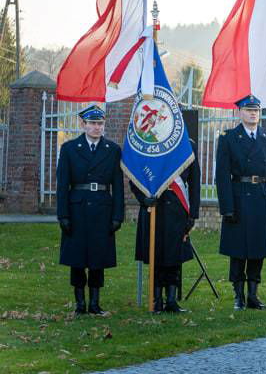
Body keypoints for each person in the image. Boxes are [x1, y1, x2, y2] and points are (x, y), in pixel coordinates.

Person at [215, 95, 266, 310]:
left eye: (256, 110)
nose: (253, 114)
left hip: (262, 197)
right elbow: (222, 176)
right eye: (249, 110)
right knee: (238, 249)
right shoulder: (228, 138)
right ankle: (238, 295)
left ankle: (253, 294)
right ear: (240, 112)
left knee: (258, 248)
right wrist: (227, 207)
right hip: (238, 197)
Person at [56, 105, 124, 315]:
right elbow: (62, 185)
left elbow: (118, 186)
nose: (97, 127)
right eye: (93, 123)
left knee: (98, 258)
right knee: (77, 259)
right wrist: (63, 214)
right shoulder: (69, 149)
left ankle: (94, 304)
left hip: (102, 209)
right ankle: (80, 304)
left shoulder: (112, 150)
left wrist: (117, 215)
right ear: (83, 124)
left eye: (100, 123)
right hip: (77, 209)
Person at [130, 139, 201, 313]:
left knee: (174, 255)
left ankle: (171, 300)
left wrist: (193, 214)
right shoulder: (148, 144)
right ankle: (156, 300)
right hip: (154, 206)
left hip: (177, 207)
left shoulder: (188, 145)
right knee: (156, 254)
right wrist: (143, 199)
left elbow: (195, 182)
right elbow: (134, 175)